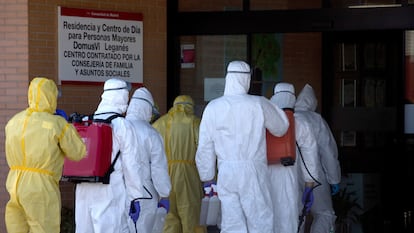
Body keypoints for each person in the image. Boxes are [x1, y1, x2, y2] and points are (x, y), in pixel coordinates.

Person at [195, 60, 289, 233]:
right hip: (253, 172)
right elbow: (281, 127)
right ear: (247, 80)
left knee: (231, 225)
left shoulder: (213, 107)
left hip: (226, 173)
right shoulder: (258, 104)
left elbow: (205, 147)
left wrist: (207, 178)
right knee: (260, 222)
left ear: (228, 79)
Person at [4, 77, 86, 233]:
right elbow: (78, 152)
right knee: (44, 228)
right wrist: (67, 127)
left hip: (14, 184)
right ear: (50, 96)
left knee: (16, 228)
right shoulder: (56, 124)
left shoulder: (14, 121)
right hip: (40, 187)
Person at [75, 78, 143, 233]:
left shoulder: (87, 121)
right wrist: (135, 196)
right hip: (110, 188)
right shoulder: (122, 125)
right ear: (123, 96)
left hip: (83, 188)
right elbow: (132, 164)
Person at [269, 82, 320, 233]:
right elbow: (310, 157)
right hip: (289, 180)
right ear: (293, 99)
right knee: (288, 221)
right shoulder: (300, 123)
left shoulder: (263, 120)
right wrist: (309, 187)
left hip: (263, 179)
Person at [152, 95, 206, 233]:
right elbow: (204, 151)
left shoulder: (158, 124)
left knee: (169, 217)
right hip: (189, 174)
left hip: (164, 174)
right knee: (192, 215)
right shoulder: (195, 123)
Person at [295, 83, 341, 233]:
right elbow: (328, 152)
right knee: (324, 213)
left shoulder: (288, 118)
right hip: (316, 175)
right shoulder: (317, 120)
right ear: (313, 103)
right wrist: (334, 179)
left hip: (292, 175)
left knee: (297, 216)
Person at [125, 87, 172, 233]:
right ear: (147, 108)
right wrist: (164, 194)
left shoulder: (119, 127)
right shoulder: (150, 133)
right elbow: (159, 169)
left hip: (120, 191)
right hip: (144, 193)